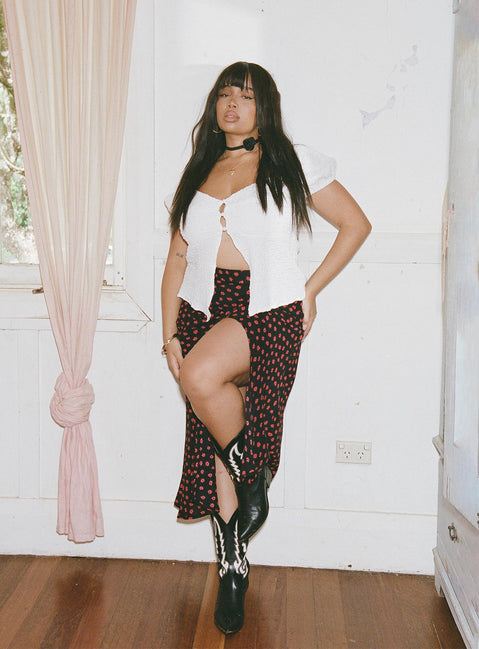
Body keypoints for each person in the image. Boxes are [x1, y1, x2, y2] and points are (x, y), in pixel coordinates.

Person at [161, 61, 371, 635]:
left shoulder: (290, 160)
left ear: (265, 107)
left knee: (201, 379)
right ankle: (232, 569)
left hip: (267, 308)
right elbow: (177, 257)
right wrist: (169, 334)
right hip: (202, 308)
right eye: (226, 93)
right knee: (213, 442)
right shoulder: (199, 168)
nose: (233, 103)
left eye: (247, 96)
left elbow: (355, 224)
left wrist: (309, 290)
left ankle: (252, 478)